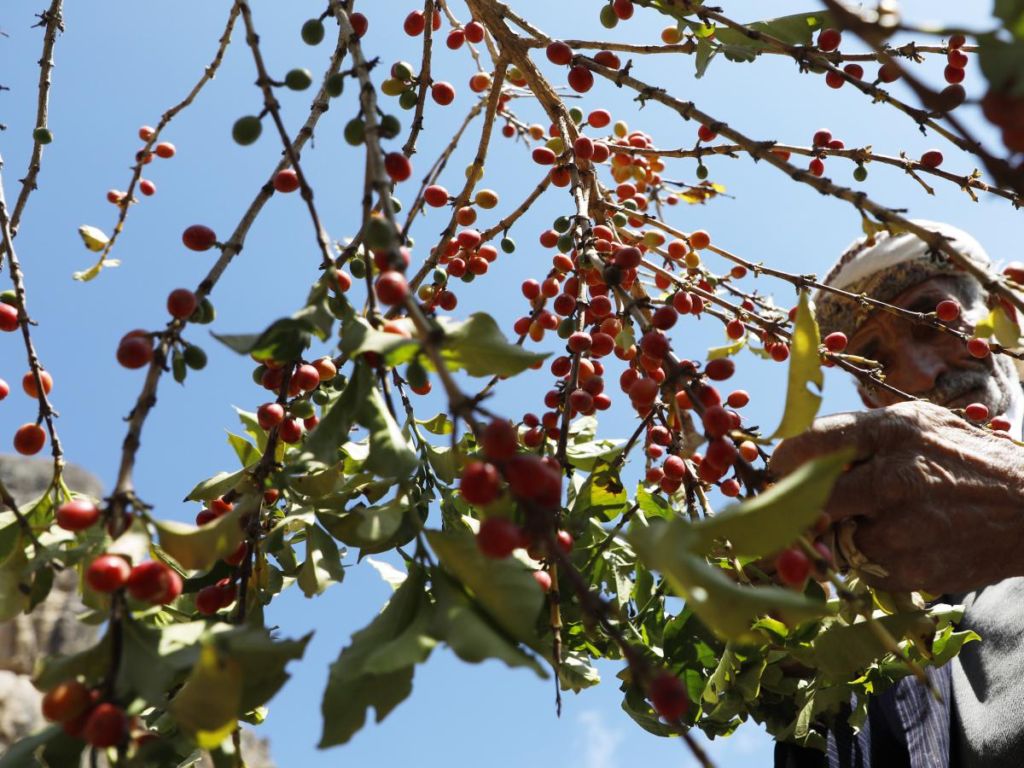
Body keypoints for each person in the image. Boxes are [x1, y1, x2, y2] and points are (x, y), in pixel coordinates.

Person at [771, 221, 1024, 768]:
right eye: (877, 362)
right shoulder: (876, 589)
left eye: (936, 322)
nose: (922, 373)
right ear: (867, 395)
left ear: (1000, 308)